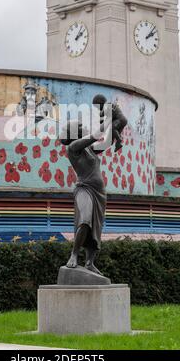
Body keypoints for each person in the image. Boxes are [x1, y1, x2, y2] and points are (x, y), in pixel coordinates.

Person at [59, 117, 110, 275]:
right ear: (75, 133)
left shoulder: (90, 149)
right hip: (84, 189)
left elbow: (107, 142)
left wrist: (116, 124)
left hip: (99, 193)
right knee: (85, 220)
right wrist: (108, 118)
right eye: (81, 126)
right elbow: (96, 134)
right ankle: (74, 254)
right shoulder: (73, 147)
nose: (85, 126)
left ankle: (89, 262)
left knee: (96, 228)